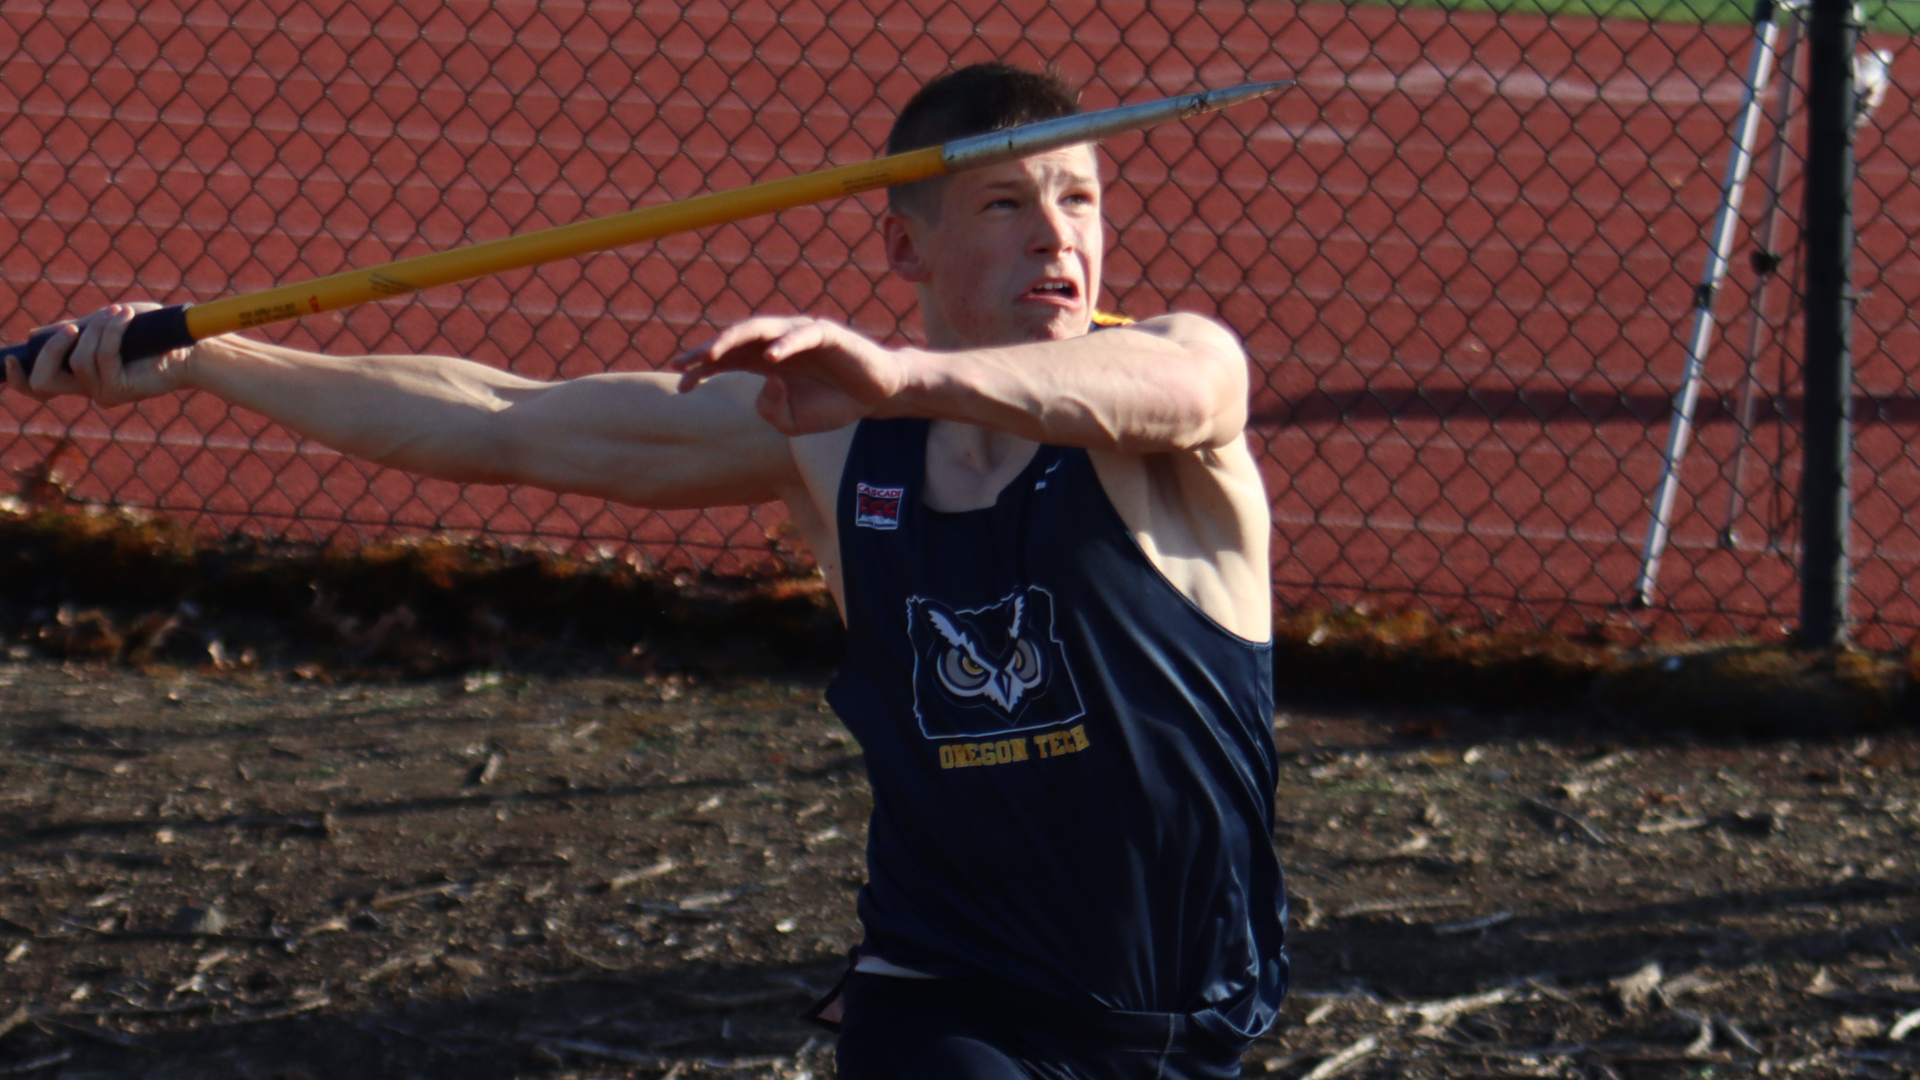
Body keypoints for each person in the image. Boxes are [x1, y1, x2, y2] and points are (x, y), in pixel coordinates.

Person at [10, 63, 1286, 1080]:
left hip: (1191, 1009)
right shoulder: (835, 444)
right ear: (908, 251)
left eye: (1079, 200)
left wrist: (901, 373)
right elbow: (498, 419)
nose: (1055, 237)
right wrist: (214, 361)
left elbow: (1173, 387)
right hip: (950, 991)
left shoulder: (1173, 389)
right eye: (1006, 204)